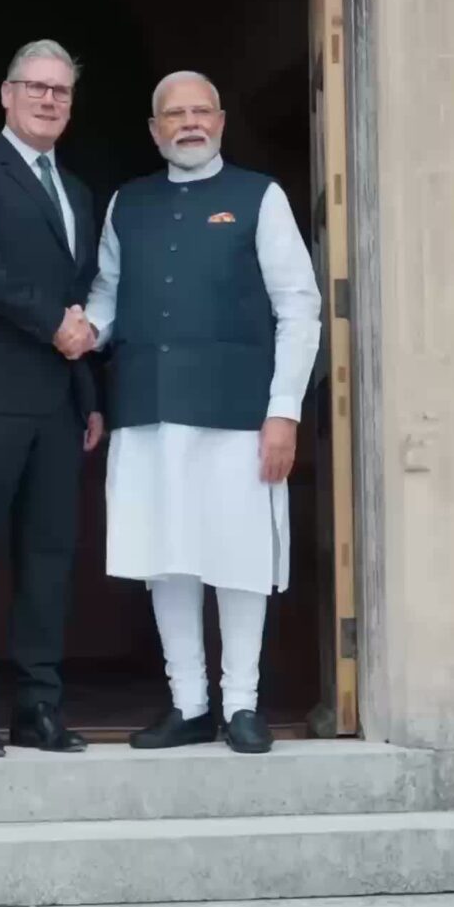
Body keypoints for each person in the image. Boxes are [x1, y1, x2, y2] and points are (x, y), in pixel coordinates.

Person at [82, 71, 320, 754]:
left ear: (220, 119)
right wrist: (83, 331)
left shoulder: (260, 196)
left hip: (239, 414)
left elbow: (298, 306)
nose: (189, 122)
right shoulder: (128, 202)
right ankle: (188, 703)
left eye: (200, 111)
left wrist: (284, 411)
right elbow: (107, 291)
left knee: (238, 558)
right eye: (173, 114)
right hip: (147, 410)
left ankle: (242, 704)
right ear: (155, 129)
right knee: (169, 557)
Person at [0, 39, 103, 757]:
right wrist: (52, 324)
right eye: (34, 87)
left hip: (57, 403)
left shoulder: (80, 192)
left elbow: (79, 301)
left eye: (60, 90)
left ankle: (39, 706)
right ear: (7, 95)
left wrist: (90, 395)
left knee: (48, 558)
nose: (47, 99)